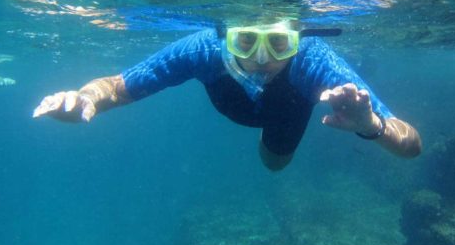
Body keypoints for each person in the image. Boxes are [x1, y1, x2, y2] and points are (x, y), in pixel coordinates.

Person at [33, 19, 421, 170]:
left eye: (280, 43)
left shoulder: (313, 61)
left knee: (274, 164)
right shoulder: (201, 50)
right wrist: (88, 99)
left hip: (288, 114)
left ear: (297, 40)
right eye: (247, 41)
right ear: (226, 35)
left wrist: (372, 126)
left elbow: (412, 143)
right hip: (237, 106)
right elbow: (118, 86)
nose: (263, 58)